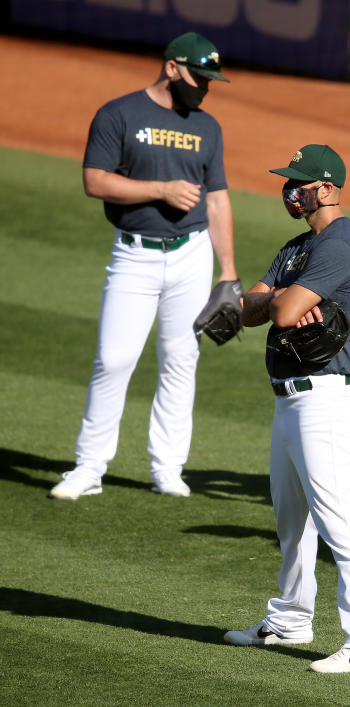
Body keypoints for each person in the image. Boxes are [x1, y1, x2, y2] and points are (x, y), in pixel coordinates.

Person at [223, 145, 350, 674]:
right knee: (292, 520)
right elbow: (249, 309)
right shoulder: (299, 245)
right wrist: (273, 300)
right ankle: (291, 618)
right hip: (289, 402)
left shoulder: (342, 242)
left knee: (341, 522)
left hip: (324, 399)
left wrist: (276, 300)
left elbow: (281, 308)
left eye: (297, 183)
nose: (287, 192)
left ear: (326, 188)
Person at [51, 32, 238, 500]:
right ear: (172, 67)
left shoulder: (207, 127)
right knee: (113, 360)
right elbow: (94, 181)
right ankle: (89, 468)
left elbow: (217, 198)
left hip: (192, 254)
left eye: (210, 80)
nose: (205, 88)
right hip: (134, 254)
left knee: (181, 360)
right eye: (199, 77)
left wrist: (228, 270)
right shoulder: (119, 114)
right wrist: (161, 190)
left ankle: (168, 468)